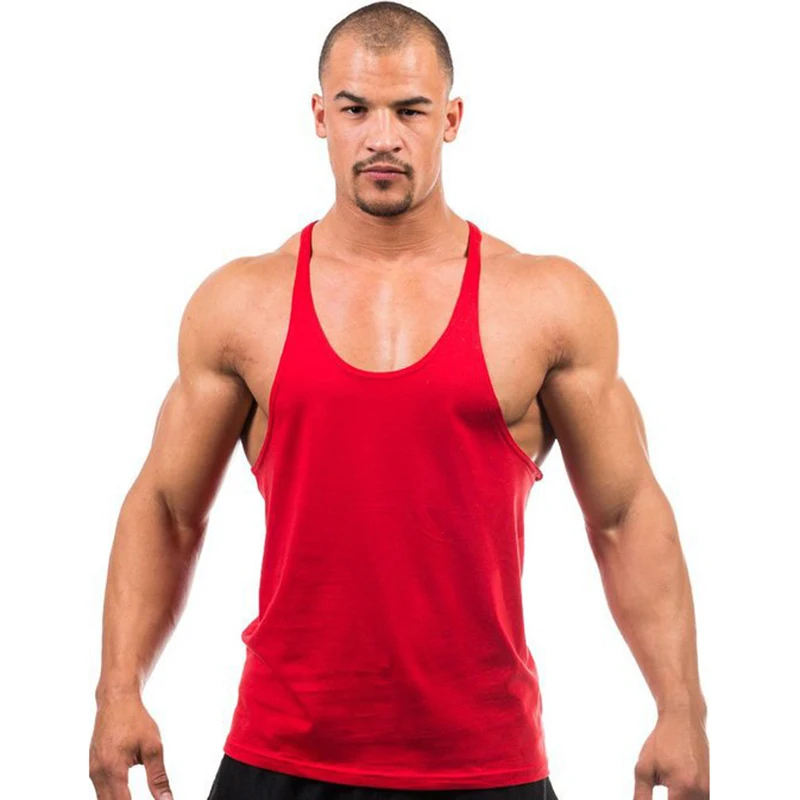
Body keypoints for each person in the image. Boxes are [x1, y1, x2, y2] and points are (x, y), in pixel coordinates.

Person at [89, 3, 709, 799]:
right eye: (356, 109)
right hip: (280, 757)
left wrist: (681, 710)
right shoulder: (244, 304)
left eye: (410, 110)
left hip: (486, 763)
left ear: (450, 119)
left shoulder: (544, 303)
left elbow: (625, 515)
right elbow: (168, 509)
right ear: (321, 117)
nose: (382, 136)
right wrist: (118, 691)